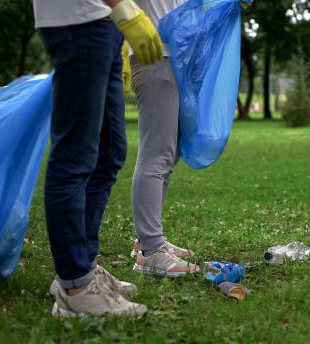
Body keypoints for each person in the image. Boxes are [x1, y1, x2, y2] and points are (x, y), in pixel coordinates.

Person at [34, 0, 163, 317]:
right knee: (75, 155)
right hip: (77, 22)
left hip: (103, 24)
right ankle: (74, 287)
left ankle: (85, 267)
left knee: (109, 152)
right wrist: (124, 8)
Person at [125, 0, 199, 277]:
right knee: (156, 154)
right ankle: (151, 251)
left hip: (177, 57)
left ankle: (146, 240)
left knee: (168, 154)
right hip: (155, 55)